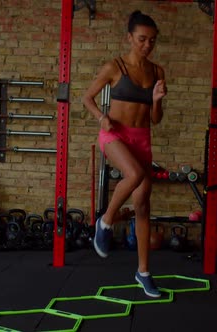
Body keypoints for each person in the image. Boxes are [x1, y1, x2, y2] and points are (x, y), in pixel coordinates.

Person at [82, 10, 167, 298]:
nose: (147, 45)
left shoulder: (158, 72)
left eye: (152, 41)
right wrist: (100, 118)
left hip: (142, 139)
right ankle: (105, 222)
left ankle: (143, 273)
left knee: (143, 206)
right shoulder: (114, 66)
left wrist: (156, 101)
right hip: (114, 135)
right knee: (135, 174)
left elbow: (155, 119)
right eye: (142, 39)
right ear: (129, 37)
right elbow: (87, 97)